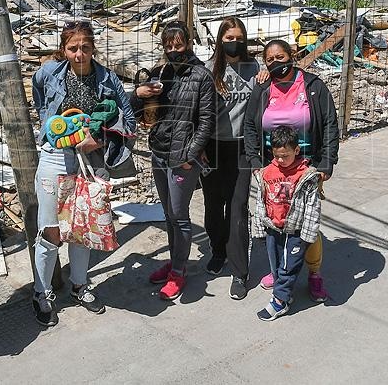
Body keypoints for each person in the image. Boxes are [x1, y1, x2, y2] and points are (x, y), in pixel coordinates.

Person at [30, 20, 136, 326]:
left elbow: (129, 123)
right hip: (55, 160)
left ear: (93, 49)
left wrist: (99, 138)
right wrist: (49, 126)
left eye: (85, 48)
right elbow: (39, 94)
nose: (79, 54)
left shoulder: (108, 79)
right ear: (64, 49)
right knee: (51, 230)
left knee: (83, 227)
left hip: (91, 162)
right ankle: (42, 292)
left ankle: (79, 285)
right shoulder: (49, 73)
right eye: (73, 48)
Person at [242, 40, 339, 303]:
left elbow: (329, 123)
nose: (275, 63)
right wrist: (255, 162)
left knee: (308, 224)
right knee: (277, 219)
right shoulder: (262, 88)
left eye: (280, 56)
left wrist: (327, 162)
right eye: (270, 59)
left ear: (292, 56)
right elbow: (250, 126)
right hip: (272, 167)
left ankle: (315, 274)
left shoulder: (313, 86)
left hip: (307, 168)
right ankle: (281, 270)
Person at [132, 21, 216, 301]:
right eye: (168, 46)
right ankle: (174, 260)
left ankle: (179, 271)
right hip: (159, 150)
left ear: (188, 43)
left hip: (182, 158)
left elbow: (206, 121)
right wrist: (138, 94)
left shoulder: (201, 76)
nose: (173, 50)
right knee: (167, 213)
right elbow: (140, 112)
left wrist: (190, 156)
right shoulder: (160, 72)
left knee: (180, 216)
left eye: (178, 45)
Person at [199, 18, 266, 300]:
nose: (234, 42)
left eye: (239, 37)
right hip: (213, 146)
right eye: (228, 38)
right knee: (214, 205)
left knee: (238, 208)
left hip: (241, 148)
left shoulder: (255, 69)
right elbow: (197, 109)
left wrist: (266, 76)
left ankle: (240, 271)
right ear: (220, 40)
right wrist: (196, 145)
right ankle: (218, 250)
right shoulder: (208, 68)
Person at [252, 126, 323, 321]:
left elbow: (312, 207)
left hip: (295, 231)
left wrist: (308, 235)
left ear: (297, 150)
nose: (281, 160)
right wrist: (259, 227)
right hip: (273, 228)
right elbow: (260, 201)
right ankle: (285, 292)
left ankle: (279, 301)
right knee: (276, 265)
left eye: (286, 155)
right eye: (277, 156)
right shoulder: (266, 172)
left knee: (288, 267)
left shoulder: (306, 175)